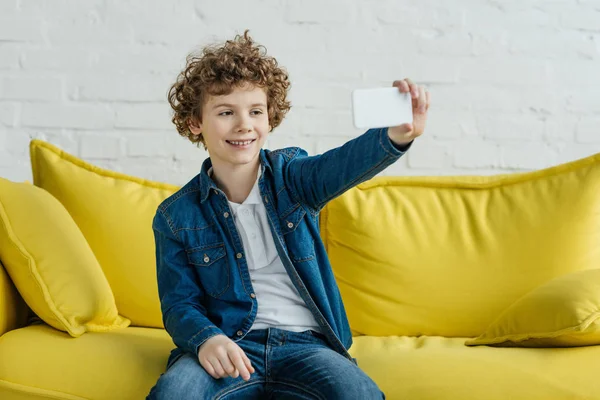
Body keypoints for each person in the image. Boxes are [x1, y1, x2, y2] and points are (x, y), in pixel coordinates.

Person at [147, 30, 430, 399]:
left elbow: (341, 165)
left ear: (270, 118)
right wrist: (206, 340)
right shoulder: (175, 216)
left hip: (307, 347)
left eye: (255, 111)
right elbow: (179, 303)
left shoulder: (293, 178)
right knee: (174, 394)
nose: (243, 124)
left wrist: (396, 136)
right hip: (230, 345)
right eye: (225, 112)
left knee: (360, 395)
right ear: (195, 123)